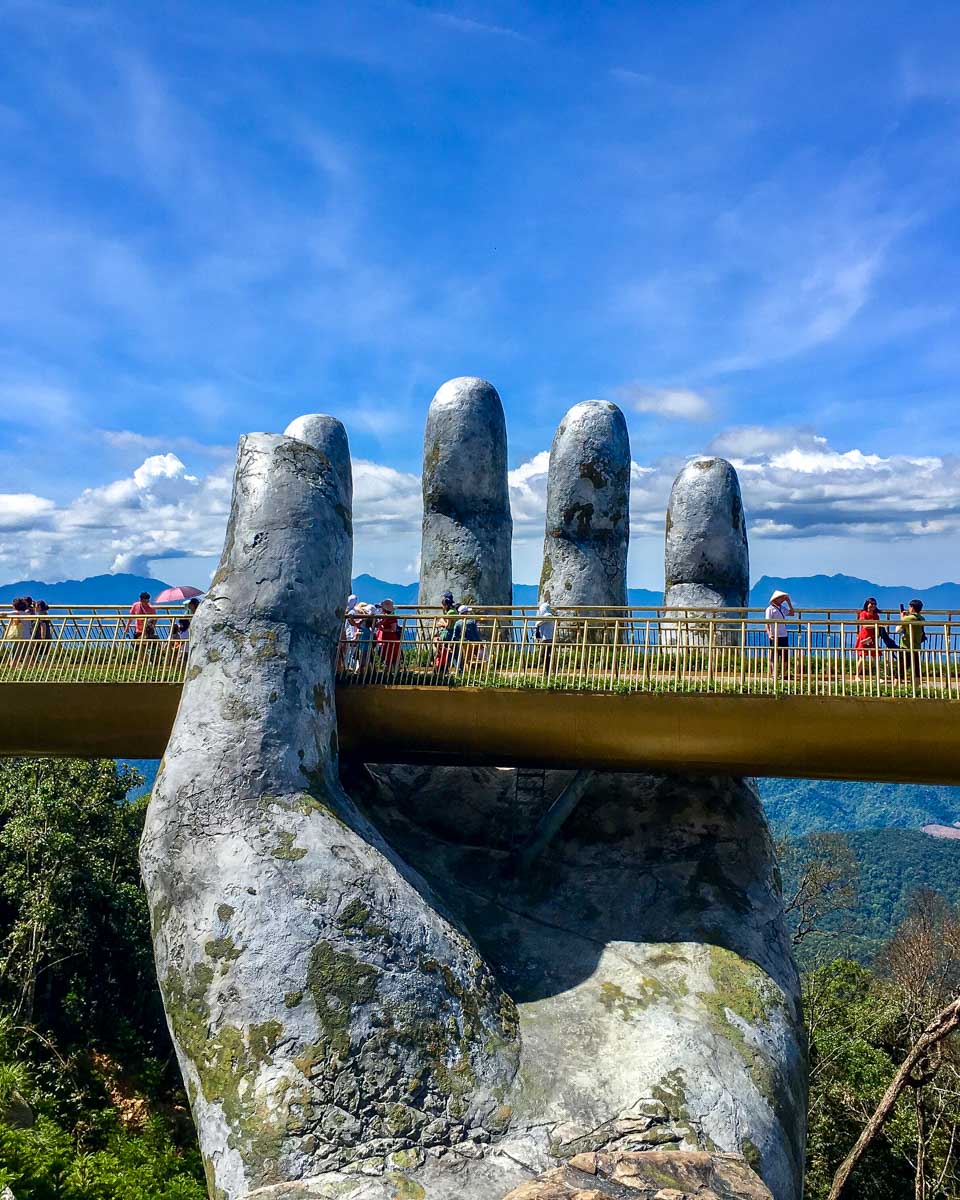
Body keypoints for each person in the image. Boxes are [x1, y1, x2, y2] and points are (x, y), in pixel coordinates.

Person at [765, 589, 794, 676]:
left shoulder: (782, 608)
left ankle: (783, 673)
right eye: (780, 598)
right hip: (775, 634)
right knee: (774, 654)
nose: (782, 600)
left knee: (784, 654)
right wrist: (769, 633)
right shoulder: (770, 609)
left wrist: (789, 602)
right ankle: (774, 673)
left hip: (783, 634)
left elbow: (792, 613)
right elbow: (767, 623)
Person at [898, 599, 926, 685]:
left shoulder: (908, 618)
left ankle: (896, 688)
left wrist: (902, 617)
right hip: (917, 647)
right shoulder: (922, 618)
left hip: (906, 646)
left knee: (901, 669)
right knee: (916, 669)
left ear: (912, 608)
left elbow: (898, 629)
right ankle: (916, 689)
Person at [451, 605, 483, 671]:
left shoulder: (457, 623)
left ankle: (466, 673)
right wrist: (480, 642)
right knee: (479, 658)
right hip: (475, 644)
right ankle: (479, 672)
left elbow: (454, 636)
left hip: (464, 644)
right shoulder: (472, 622)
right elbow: (476, 634)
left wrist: (456, 642)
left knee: (466, 659)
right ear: (466, 613)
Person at [433, 591, 459, 672]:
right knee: (452, 652)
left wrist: (441, 622)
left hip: (449, 633)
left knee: (447, 651)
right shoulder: (453, 610)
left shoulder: (450, 612)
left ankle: (443, 668)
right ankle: (453, 668)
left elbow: (448, 625)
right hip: (453, 632)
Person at [376, 599, 402, 670]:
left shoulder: (391, 617)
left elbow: (393, 629)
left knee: (391, 656)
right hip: (387, 638)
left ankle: (392, 672)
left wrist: (383, 629)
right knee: (388, 656)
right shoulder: (385, 617)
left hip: (391, 638)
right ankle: (390, 672)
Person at [340, 593, 361, 671]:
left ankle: (347, 666)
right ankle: (351, 666)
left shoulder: (347, 610)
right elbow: (351, 621)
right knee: (351, 652)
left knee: (347, 651)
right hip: (352, 633)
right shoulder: (353, 611)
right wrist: (357, 624)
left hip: (348, 633)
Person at [534, 600, 555, 672]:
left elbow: (539, 623)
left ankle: (548, 670)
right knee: (546, 655)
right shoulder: (546, 617)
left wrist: (537, 624)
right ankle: (548, 670)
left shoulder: (548, 615)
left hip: (548, 638)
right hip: (546, 638)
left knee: (544, 655)